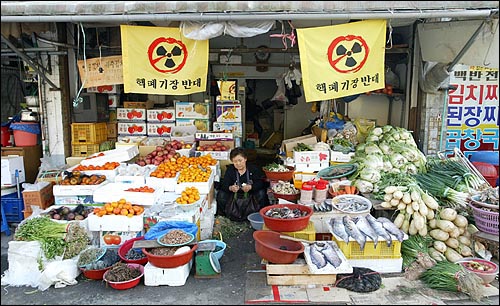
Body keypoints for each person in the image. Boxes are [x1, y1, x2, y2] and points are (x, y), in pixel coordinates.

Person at [216, 147, 270, 219]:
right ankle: (227, 215)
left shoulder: (253, 169)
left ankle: (258, 215)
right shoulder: (230, 170)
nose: (238, 164)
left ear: (245, 159)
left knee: (261, 193)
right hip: (234, 196)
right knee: (221, 195)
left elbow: (261, 183)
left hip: (250, 195)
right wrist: (231, 188)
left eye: (240, 160)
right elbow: (224, 184)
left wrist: (251, 187)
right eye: (235, 161)